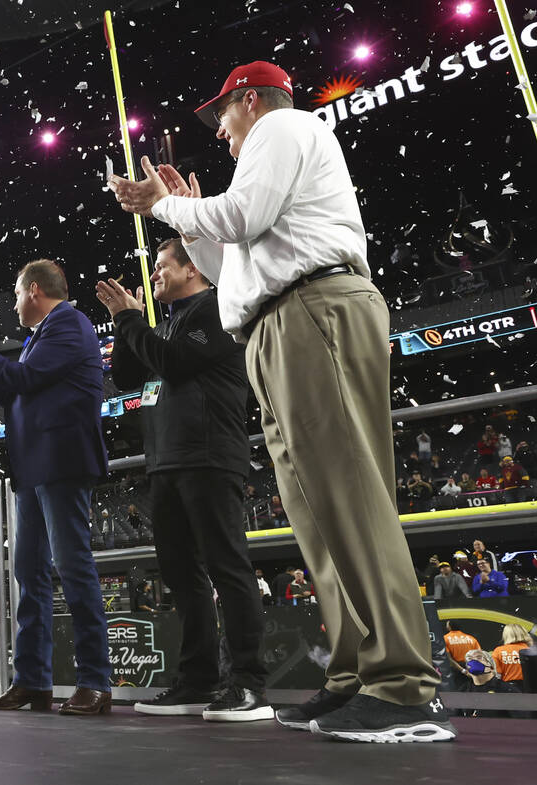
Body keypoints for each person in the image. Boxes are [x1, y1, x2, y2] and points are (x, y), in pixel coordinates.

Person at [108, 60, 452, 741]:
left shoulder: (284, 125)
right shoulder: (268, 151)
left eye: (224, 118)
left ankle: (403, 685)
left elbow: (242, 215)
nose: (224, 134)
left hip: (312, 311)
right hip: (278, 320)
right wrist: (194, 228)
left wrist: (164, 206)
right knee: (318, 512)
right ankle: (356, 672)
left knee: (347, 497)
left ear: (250, 100)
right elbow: (230, 263)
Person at [97, 237, 270, 722]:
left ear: (192, 269)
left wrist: (133, 320)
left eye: (161, 266)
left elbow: (172, 362)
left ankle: (249, 683)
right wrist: (124, 320)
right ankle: (198, 681)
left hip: (210, 456)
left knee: (226, 567)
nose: (154, 274)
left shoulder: (216, 308)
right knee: (181, 576)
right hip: (167, 462)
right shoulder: (170, 322)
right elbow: (131, 375)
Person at [0, 258, 111, 716]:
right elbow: (16, 390)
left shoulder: (69, 324)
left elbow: (23, 380)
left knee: (73, 568)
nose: (14, 302)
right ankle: (32, 681)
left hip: (61, 464)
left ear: (34, 290)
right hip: (35, 467)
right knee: (29, 575)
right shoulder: (43, 336)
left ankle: (95, 681)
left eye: (16, 293)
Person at [457, 649, 522, 718]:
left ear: (491, 666)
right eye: (469, 659)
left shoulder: (507, 691)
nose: (473, 661)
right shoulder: (462, 691)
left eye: (479, 657)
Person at [443, 622, 480, 687]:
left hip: (456, 671)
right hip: (471, 670)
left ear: (449, 627)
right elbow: (479, 655)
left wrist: (463, 671)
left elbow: (449, 659)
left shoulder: (445, 639)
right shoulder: (471, 638)